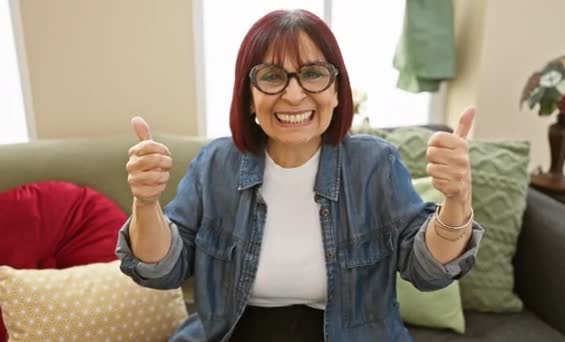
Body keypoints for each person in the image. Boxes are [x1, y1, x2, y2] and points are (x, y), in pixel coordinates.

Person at [116, 9, 483, 342]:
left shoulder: (376, 164)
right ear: (248, 96)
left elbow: (428, 271)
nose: (294, 95)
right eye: (272, 76)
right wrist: (146, 203)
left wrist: (457, 200)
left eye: (313, 74)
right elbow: (163, 270)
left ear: (337, 91)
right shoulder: (215, 164)